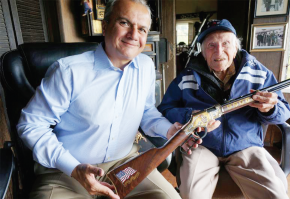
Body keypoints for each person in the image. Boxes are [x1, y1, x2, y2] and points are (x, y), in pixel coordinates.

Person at [16, 0, 185, 198]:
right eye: (124, 23)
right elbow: (31, 125)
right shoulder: (69, 71)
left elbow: (146, 112)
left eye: (142, 29)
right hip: (67, 171)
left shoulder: (146, 67)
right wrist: (73, 168)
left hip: (125, 165)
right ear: (105, 27)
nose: (133, 35)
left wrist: (170, 129)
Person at [157, 19, 290, 199]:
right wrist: (190, 116)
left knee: (275, 194)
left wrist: (270, 108)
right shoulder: (186, 76)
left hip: (246, 146)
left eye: (226, 43)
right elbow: (166, 108)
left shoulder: (260, 73)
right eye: (211, 45)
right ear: (203, 52)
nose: (219, 51)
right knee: (191, 194)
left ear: (235, 47)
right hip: (202, 145)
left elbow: (283, 111)